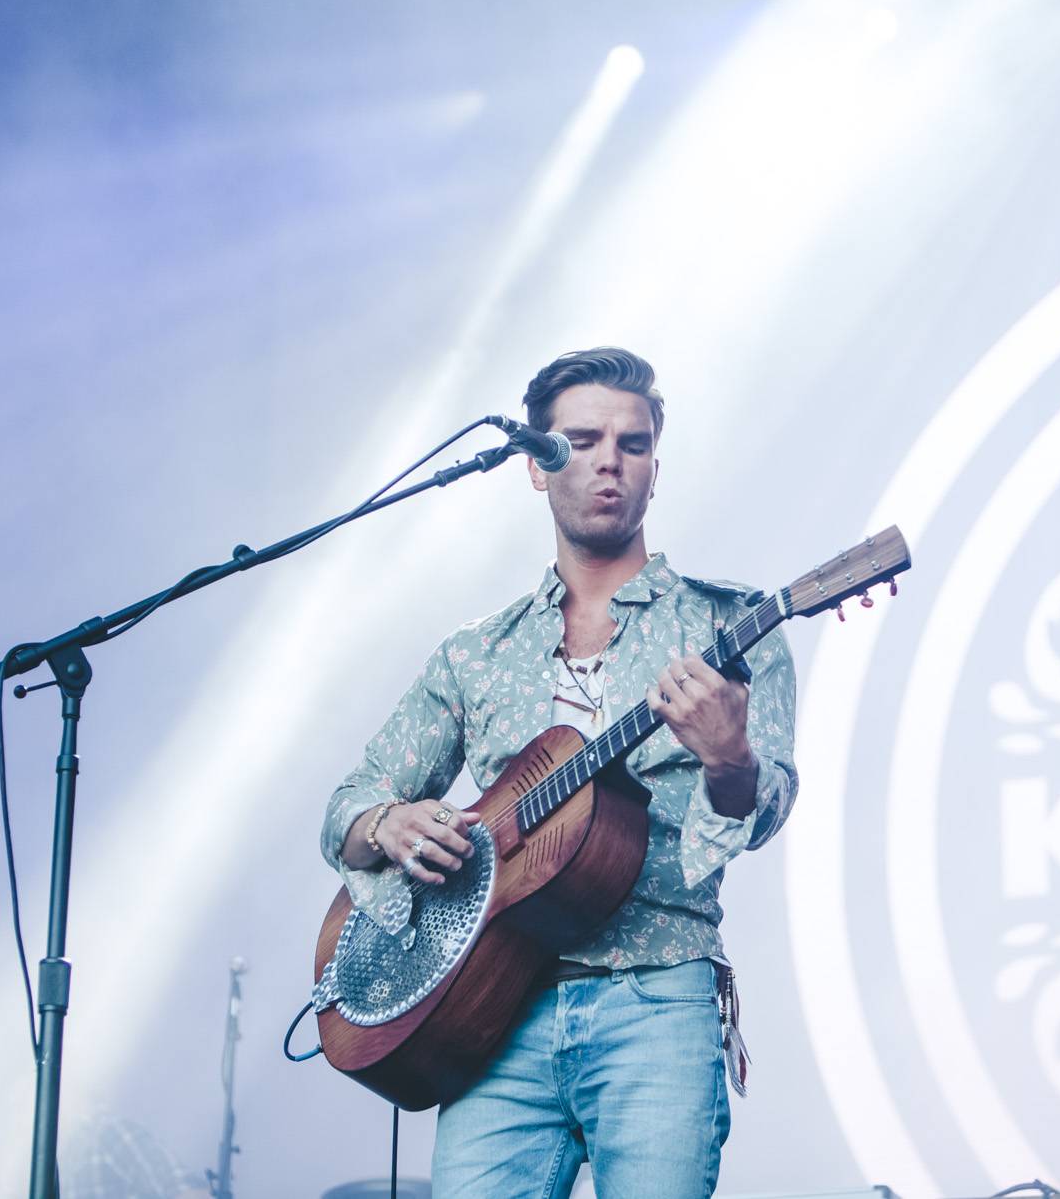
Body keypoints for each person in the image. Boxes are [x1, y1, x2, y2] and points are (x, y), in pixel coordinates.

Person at [320, 347, 797, 1198]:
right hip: (489, 1018)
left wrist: (731, 756)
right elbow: (349, 805)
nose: (610, 459)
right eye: (581, 439)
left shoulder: (732, 624)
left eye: (634, 442)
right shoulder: (477, 651)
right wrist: (388, 824)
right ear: (538, 467)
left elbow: (763, 809)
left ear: (656, 468)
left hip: (657, 998)